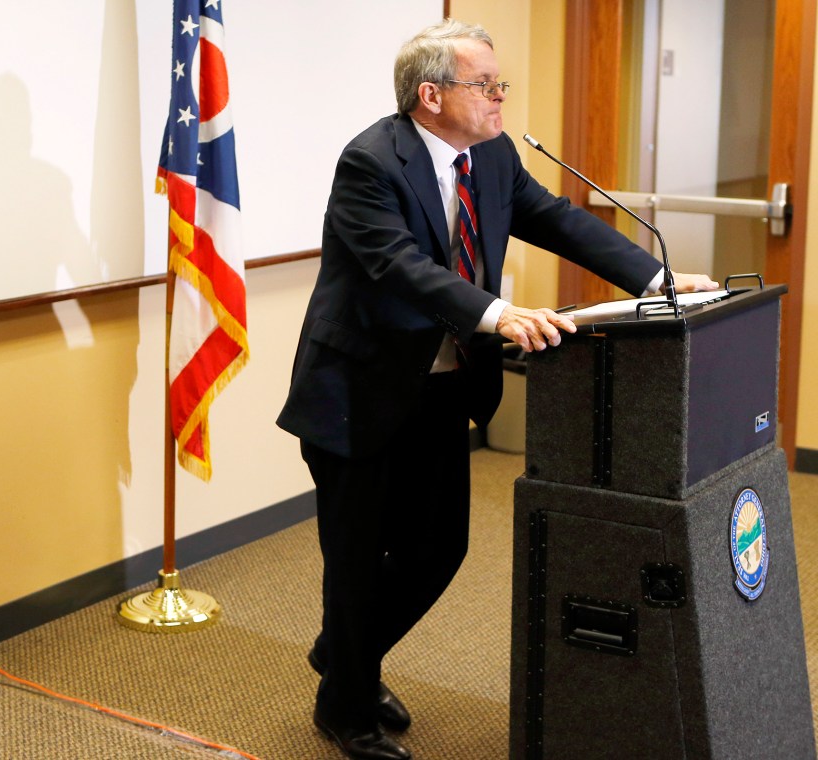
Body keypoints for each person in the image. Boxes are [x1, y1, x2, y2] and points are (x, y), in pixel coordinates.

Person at [276, 19, 718, 760]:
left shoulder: (494, 154)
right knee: (356, 558)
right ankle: (346, 705)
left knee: (437, 550)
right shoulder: (370, 162)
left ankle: (342, 658)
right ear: (431, 95)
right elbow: (399, 266)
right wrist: (497, 313)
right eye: (485, 84)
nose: (499, 96)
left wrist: (660, 281)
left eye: (498, 82)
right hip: (360, 390)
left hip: (445, 389)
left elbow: (558, 220)